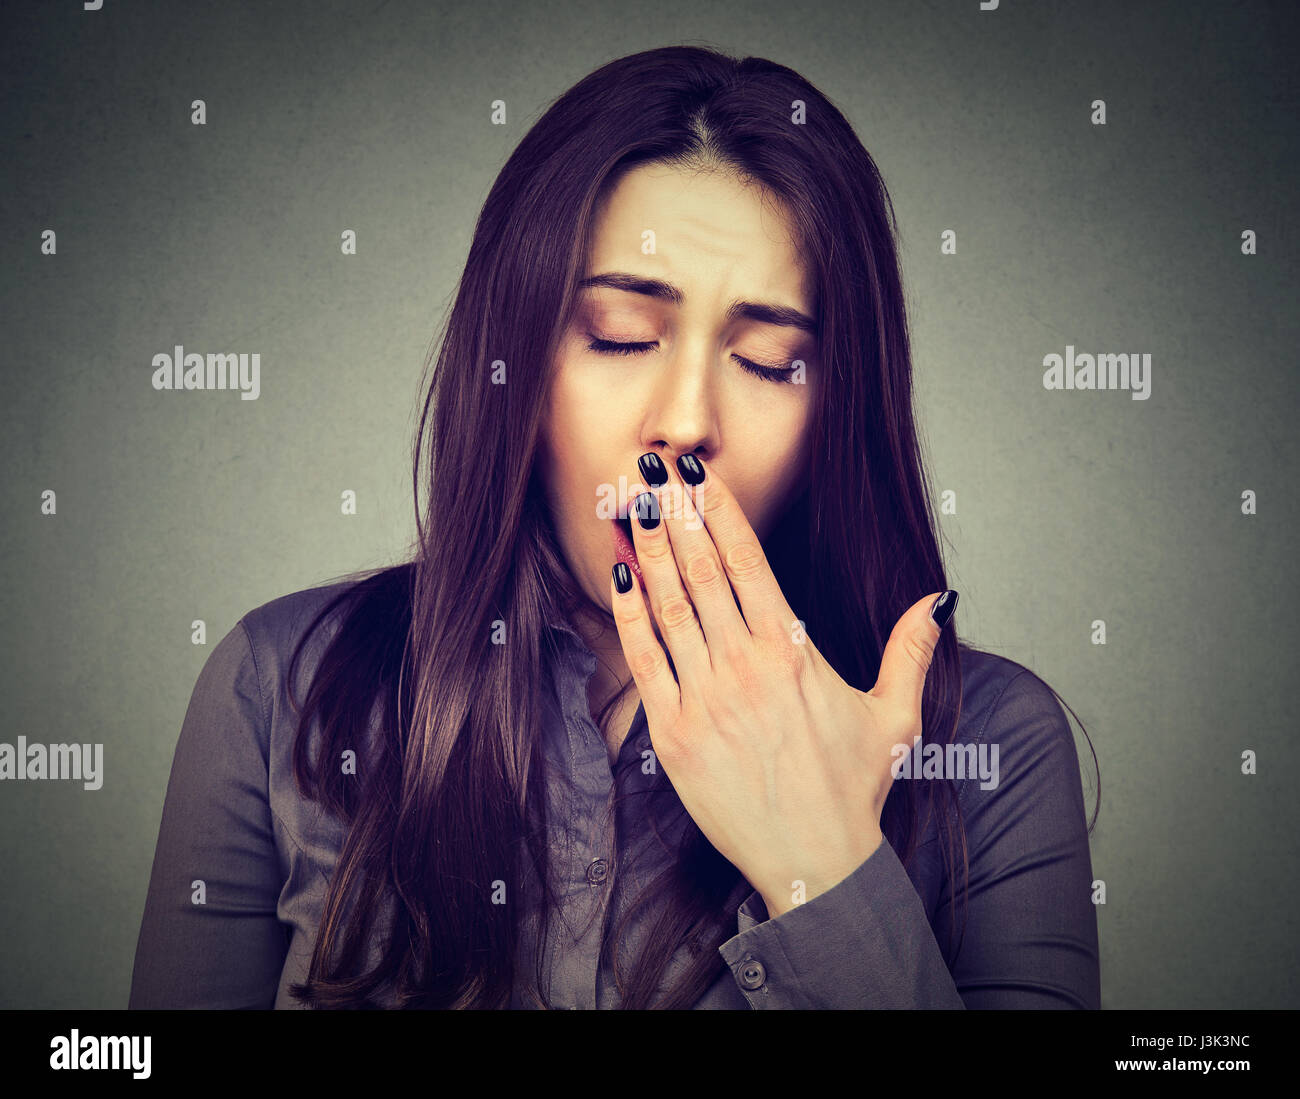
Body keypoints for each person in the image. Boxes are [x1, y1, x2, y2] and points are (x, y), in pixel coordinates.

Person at [129, 44, 1100, 1010]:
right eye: (622, 335)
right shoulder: (280, 681)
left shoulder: (994, 743)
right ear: (517, 358)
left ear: (835, 408)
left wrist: (823, 863)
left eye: (766, 359)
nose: (683, 421)